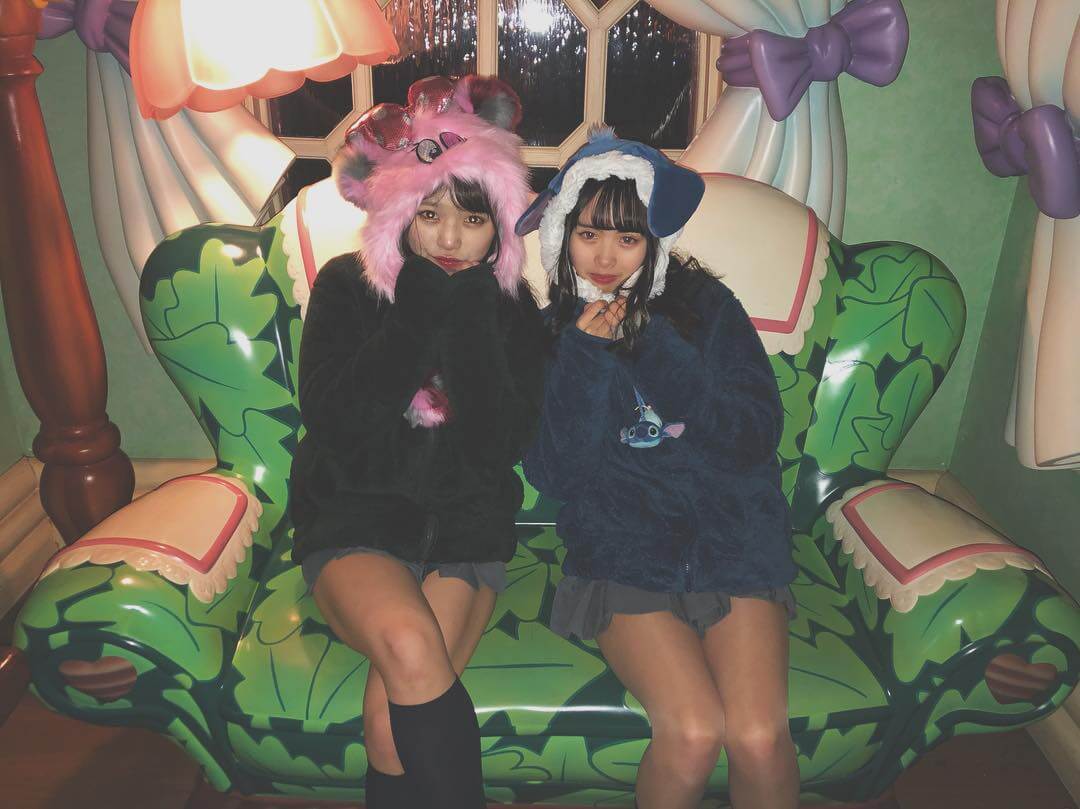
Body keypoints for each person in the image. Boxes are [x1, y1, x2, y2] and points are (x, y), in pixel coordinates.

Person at [517, 128, 799, 809]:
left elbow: (753, 436)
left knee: (758, 735)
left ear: (654, 241)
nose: (605, 256)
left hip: (733, 545)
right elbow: (556, 475)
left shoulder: (706, 309)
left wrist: (655, 348)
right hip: (624, 555)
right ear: (562, 233)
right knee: (694, 731)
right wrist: (584, 359)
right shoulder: (545, 335)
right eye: (588, 234)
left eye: (628, 237)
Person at [289, 75, 545, 809]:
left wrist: (469, 319)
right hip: (355, 522)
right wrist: (417, 308)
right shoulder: (347, 286)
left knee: (387, 726)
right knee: (406, 640)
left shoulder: (511, 307)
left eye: (473, 219)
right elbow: (336, 420)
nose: (449, 239)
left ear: (501, 225)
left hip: (465, 530)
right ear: (400, 213)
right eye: (429, 215)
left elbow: (500, 445)